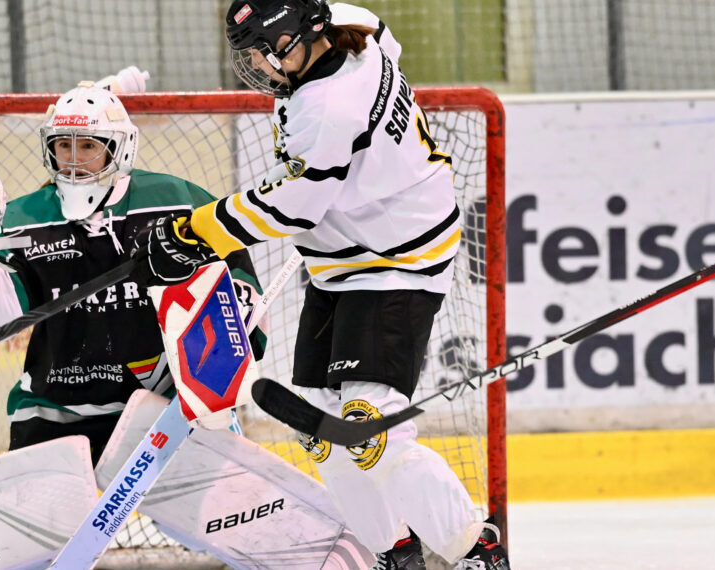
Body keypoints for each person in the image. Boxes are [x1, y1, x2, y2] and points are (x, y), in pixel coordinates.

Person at [142, 2, 510, 569]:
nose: (264, 63)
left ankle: (475, 549)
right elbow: (386, 41)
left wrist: (196, 230)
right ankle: (396, 554)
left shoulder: (327, 106)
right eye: (256, 51)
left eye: (274, 47)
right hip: (341, 260)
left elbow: (296, 207)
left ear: (312, 31)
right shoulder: (351, 23)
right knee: (320, 429)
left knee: (370, 434)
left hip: (396, 259)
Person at [0, 81, 264, 465]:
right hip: (55, 412)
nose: (74, 159)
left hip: (168, 407)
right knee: (40, 525)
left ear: (118, 149)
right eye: (65, 145)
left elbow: (238, 292)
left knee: (214, 518)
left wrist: (221, 366)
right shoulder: (23, 219)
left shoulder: (174, 200)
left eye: (88, 145)